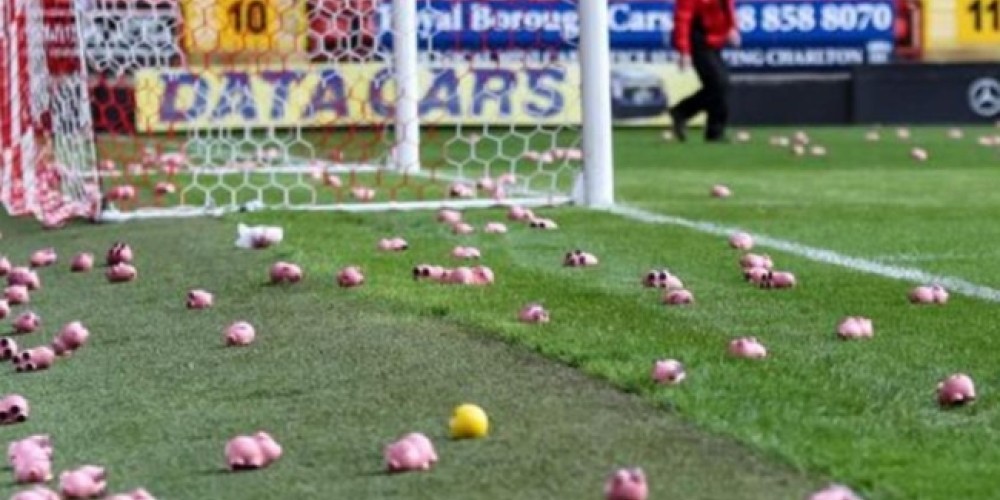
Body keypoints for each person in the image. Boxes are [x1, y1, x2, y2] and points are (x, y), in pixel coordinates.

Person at [668, 0, 741, 143]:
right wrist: (684, 51)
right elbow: (683, 20)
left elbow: (727, 6)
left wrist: (731, 28)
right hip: (697, 40)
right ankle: (683, 112)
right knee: (719, 84)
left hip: (714, 40)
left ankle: (713, 132)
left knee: (719, 86)